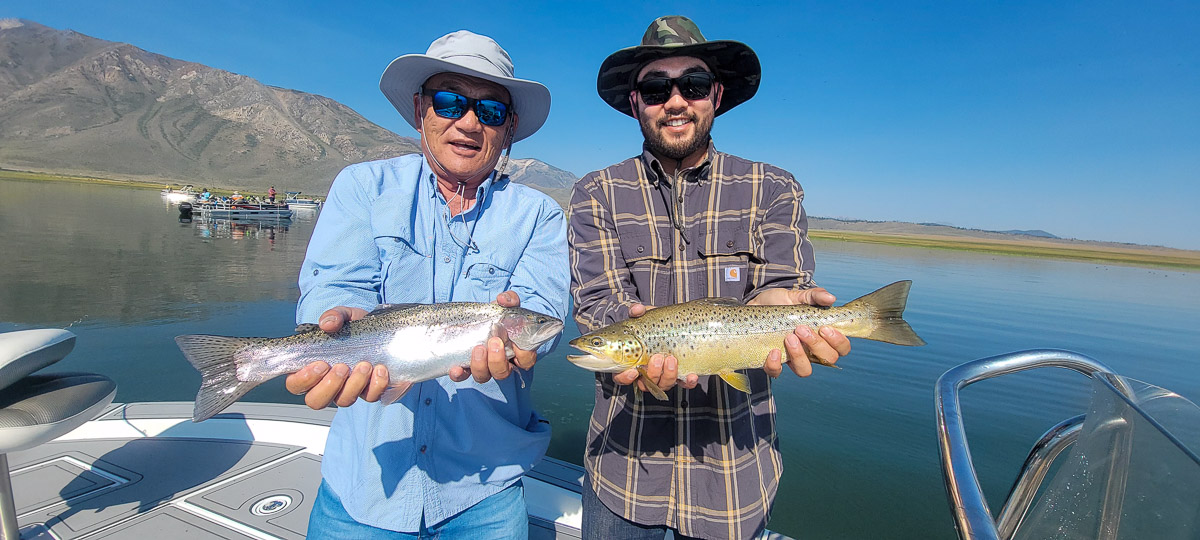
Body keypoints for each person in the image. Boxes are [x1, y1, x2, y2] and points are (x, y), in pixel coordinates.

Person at [569, 16, 852, 540]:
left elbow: (781, 284)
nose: (675, 101)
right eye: (656, 88)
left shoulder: (773, 187)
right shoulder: (595, 193)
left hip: (736, 485)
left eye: (693, 85)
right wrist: (623, 326)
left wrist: (786, 309)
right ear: (635, 102)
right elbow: (597, 302)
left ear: (715, 95)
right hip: (624, 480)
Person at [284, 30, 568, 539]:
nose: (468, 122)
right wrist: (336, 317)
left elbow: (543, 316)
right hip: (364, 489)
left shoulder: (541, 216)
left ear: (510, 128)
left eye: (491, 111)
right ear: (421, 110)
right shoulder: (362, 187)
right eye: (449, 101)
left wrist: (527, 344)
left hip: (487, 490)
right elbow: (333, 290)